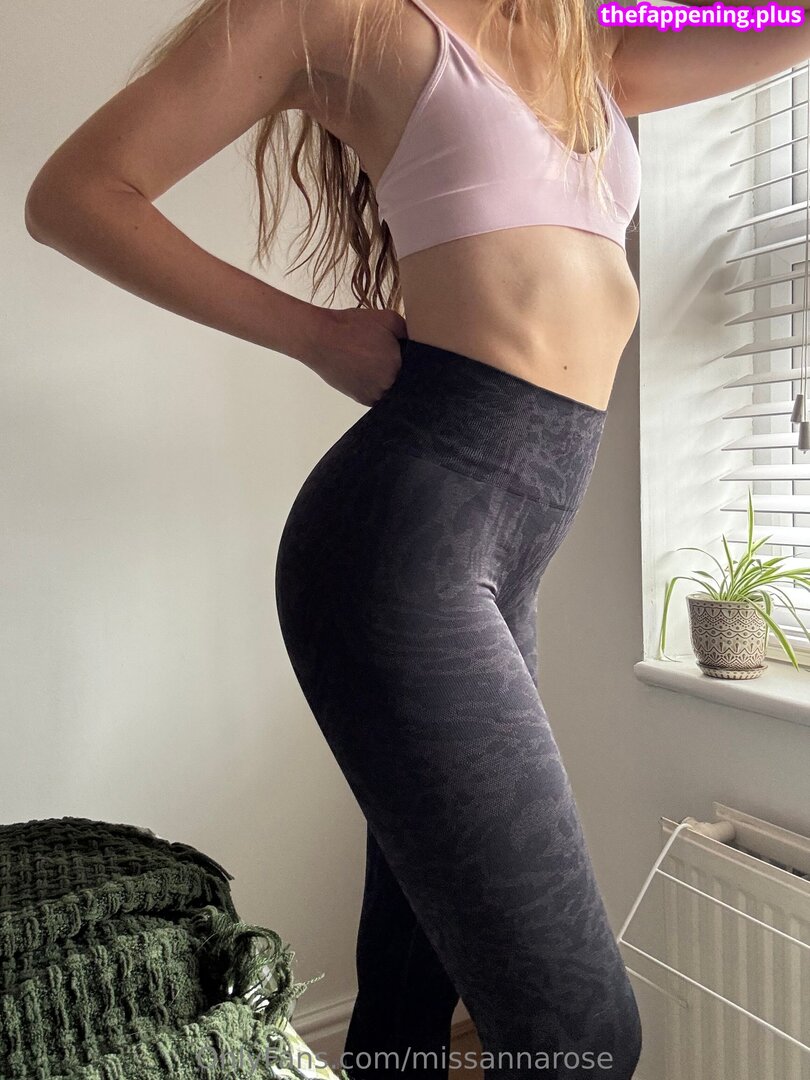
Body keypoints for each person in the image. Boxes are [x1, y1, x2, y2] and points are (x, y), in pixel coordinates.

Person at [26, 0, 806, 1075]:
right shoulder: (335, 11)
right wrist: (315, 335)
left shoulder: (590, 33)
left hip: (501, 555)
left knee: (411, 979)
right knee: (584, 1036)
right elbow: (74, 195)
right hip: (403, 549)